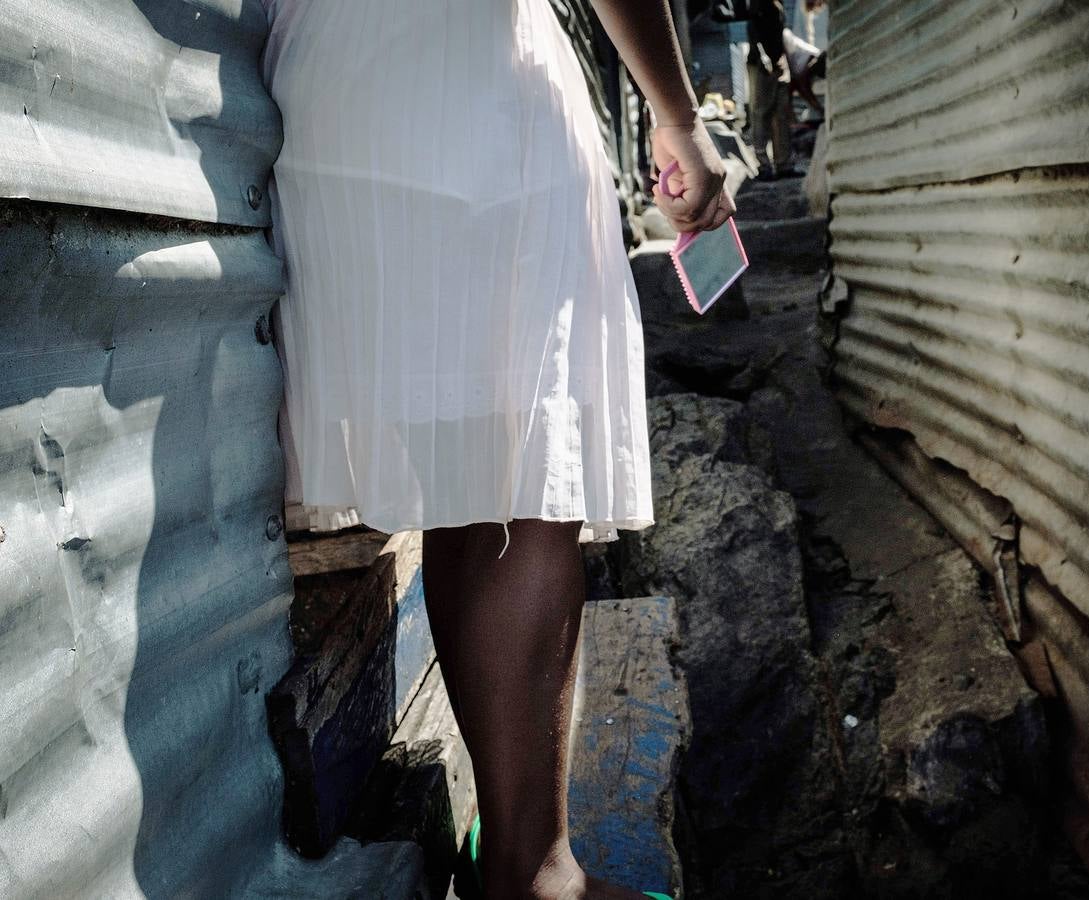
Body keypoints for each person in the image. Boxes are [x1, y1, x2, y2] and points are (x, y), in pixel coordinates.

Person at [259, 2, 734, 898]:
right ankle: (535, 873)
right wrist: (677, 114)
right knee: (519, 484)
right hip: (474, 75)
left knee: (464, 470)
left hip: (329, 75)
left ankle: (522, 864)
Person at [746, 0, 799, 179]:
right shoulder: (758, 5)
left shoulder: (778, 5)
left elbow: (779, 32)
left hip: (779, 62)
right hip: (761, 64)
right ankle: (764, 166)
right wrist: (763, 57)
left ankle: (784, 164)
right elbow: (753, 29)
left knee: (781, 115)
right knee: (761, 115)